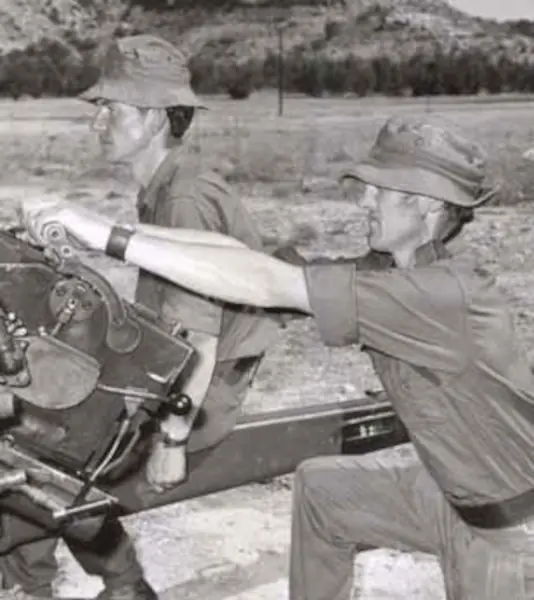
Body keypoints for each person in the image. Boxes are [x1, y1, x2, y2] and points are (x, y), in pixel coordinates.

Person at [23, 114, 534, 600]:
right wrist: (98, 230)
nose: (365, 201)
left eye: (381, 191)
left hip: (507, 530)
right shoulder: (391, 270)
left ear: (426, 204)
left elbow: (269, 283)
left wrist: (104, 236)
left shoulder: (437, 294)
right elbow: (249, 263)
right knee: (323, 490)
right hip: (453, 496)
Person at [1, 33, 282, 600]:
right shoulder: (167, 185)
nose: (96, 122)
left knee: (37, 444)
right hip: (178, 377)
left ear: (153, 118)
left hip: (198, 394)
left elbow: (197, 338)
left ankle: (63, 582)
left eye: (110, 109)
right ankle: (105, 583)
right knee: (35, 413)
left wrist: (172, 442)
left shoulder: (183, 196)